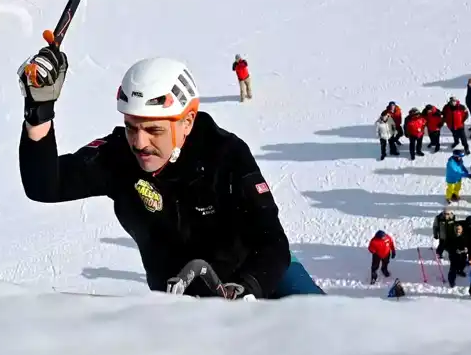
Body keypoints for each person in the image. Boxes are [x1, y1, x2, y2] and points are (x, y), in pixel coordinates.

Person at [17, 51, 324, 299]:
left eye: (154, 130)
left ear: (187, 122)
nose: (139, 142)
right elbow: (44, 186)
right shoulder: (118, 157)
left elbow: (271, 240)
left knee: (325, 331)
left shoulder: (226, 154)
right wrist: (39, 112)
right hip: (185, 298)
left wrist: (247, 288)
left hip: (262, 272)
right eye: (131, 127)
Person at [446, 223, 470, 287]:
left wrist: (466, 249)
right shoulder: (450, 237)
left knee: (463, 264)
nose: (457, 231)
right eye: (456, 229)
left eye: (459, 229)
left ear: (461, 229)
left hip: (463, 255)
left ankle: (460, 271)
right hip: (454, 256)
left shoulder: (465, 236)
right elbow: (446, 246)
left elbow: (468, 244)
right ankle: (451, 281)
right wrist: (455, 250)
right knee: (453, 268)